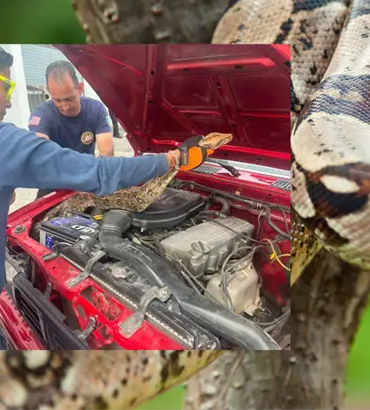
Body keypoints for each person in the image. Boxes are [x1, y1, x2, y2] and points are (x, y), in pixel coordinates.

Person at [0, 47, 213, 349]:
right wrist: (171, 159)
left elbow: (106, 155)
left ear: (80, 90)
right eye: (6, 85)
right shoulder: (8, 140)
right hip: (73, 181)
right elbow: (96, 172)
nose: (10, 99)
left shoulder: (93, 112)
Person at [28, 60, 115, 197]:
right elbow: (40, 154)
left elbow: (107, 153)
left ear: (80, 88)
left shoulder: (95, 109)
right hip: (53, 184)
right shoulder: (41, 115)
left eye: (69, 99)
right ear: (49, 92)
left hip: (87, 178)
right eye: (57, 100)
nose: (65, 106)